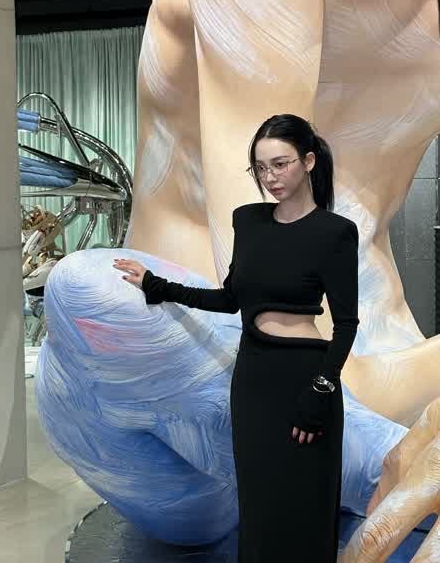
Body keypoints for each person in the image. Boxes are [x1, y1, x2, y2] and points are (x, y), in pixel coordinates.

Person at [113, 113, 359, 562]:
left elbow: (346, 324)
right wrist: (157, 285)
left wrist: (320, 392)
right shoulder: (248, 221)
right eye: (261, 168)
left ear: (308, 161)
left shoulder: (336, 232)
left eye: (280, 164)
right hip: (253, 381)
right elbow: (231, 298)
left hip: (306, 379)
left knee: (304, 505)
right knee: (260, 504)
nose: (270, 177)